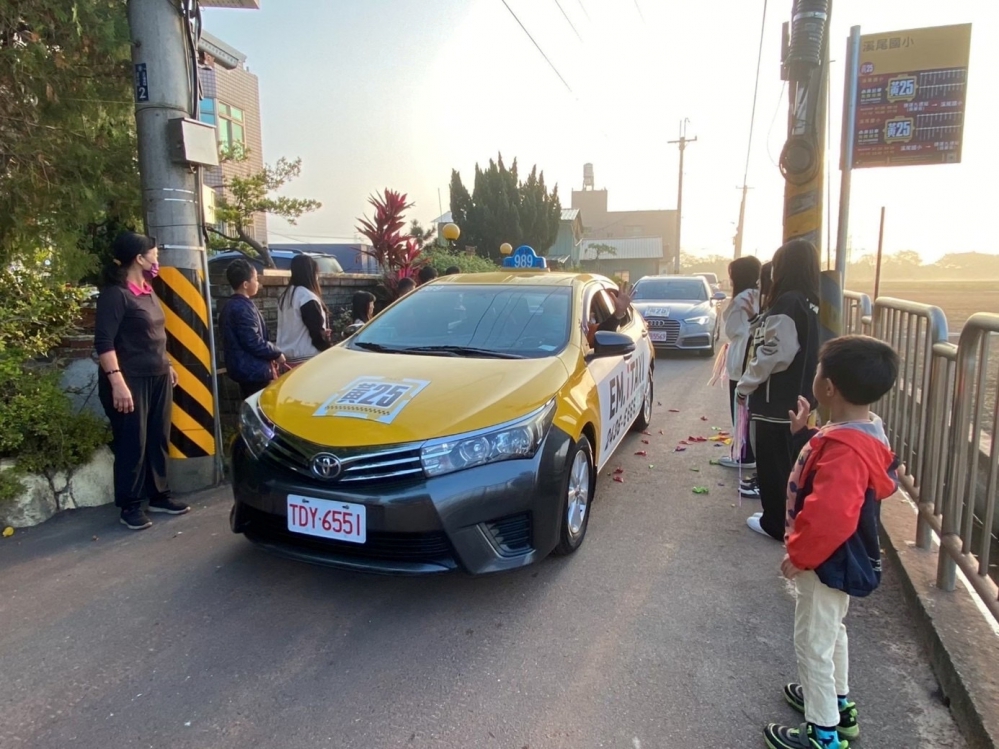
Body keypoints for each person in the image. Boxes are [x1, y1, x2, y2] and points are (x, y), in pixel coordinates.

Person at [764, 335, 899, 749]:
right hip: (838, 559)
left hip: (825, 562)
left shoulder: (845, 451)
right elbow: (827, 468)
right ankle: (838, 705)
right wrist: (805, 434)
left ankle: (822, 732)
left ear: (828, 387)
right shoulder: (860, 433)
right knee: (830, 632)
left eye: (819, 371)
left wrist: (801, 556)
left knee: (812, 644)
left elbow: (831, 514)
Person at [94, 232, 189, 531]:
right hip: (129, 379)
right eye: (154, 253)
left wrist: (167, 364)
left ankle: (159, 495)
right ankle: (130, 505)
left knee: (157, 438)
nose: (157, 258)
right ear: (139, 258)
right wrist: (117, 382)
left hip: (157, 376)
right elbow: (104, 343)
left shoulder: (147, 291)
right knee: (132, 442)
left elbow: (155, 334)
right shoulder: (115, 294)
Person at [736, 240, 820, 539]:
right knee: (789, 463)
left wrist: (745, 385)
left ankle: (775, 523)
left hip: (775, 401)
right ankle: (786, 517)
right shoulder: (807, 302)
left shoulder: (787, 302)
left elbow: (774, 353)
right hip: (798, 398)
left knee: (774, 465)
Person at [219, 258, 286, 398]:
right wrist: (276, 353)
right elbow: (253, 341)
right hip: (253, 371)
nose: (258, 283)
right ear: (245, 284)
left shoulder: (231, 305)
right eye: (255, 279)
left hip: (244, 369)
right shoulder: (243, 308)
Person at [718, 256, 761, 470]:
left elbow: (731, 329)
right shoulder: (761, 295)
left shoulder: (742, 299)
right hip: (754, 356)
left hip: (742, 356)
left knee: (740, 406)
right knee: (750, 408)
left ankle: (744, 455)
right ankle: (746, 452)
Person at [276, 254, 331, 364]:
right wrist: (328, 346)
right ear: (311, 273)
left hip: (286, 358)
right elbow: (316, 333)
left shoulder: (286, 296)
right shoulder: (307, 297)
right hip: (307, 358)